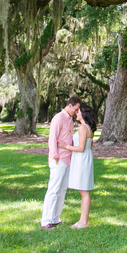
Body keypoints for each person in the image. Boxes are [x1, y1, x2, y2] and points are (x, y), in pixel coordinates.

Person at [40, 96, 81, 230]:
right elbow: (52, 138)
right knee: (53, 189)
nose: (76, 112)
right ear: (70, 105)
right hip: (59, 158)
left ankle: (55, 218)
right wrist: (55, 155)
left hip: (68, 159)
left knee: (62, 190)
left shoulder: (69, 119)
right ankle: (46, 221)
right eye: (75, 109)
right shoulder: (59, 118)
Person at [59, 104, 97, 228]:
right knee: (83, 190)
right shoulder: (89, 129)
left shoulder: (82, 128)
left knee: (84, 191)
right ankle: (83, 220)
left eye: (78, 112)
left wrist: (65, 147)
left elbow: (80, 148)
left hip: (82, 159)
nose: (76, 113)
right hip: (85, 158)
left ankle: (84, 221)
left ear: (84, 114)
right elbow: (88, 147)